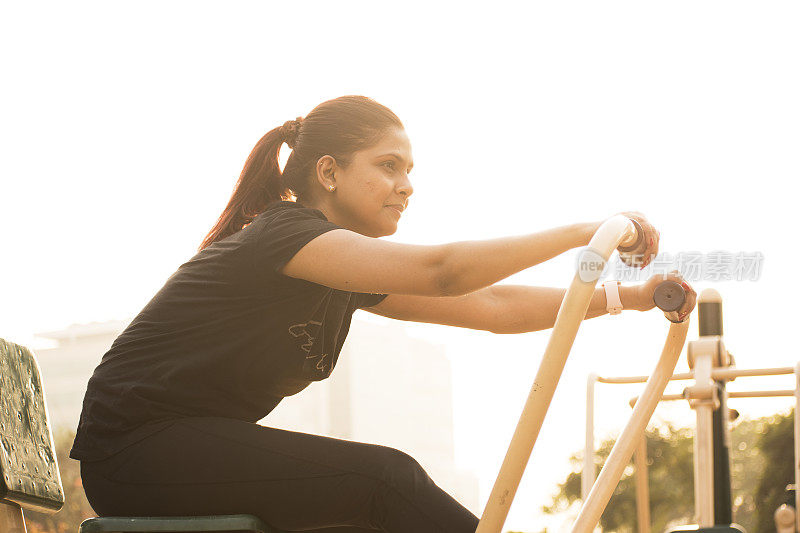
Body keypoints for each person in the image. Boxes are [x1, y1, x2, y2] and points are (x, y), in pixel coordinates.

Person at [70, 95, 696, 532]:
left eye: (410, 170)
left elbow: (490, 306)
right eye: (387, 166)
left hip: (186, 448)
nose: (407, 186)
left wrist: (626, 299)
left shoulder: (340, 268)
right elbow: (443, 271)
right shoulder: (284, 237)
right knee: (385, 480)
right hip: (134, 448)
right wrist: (588, 232)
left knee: (375, 513)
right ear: (328, 172)